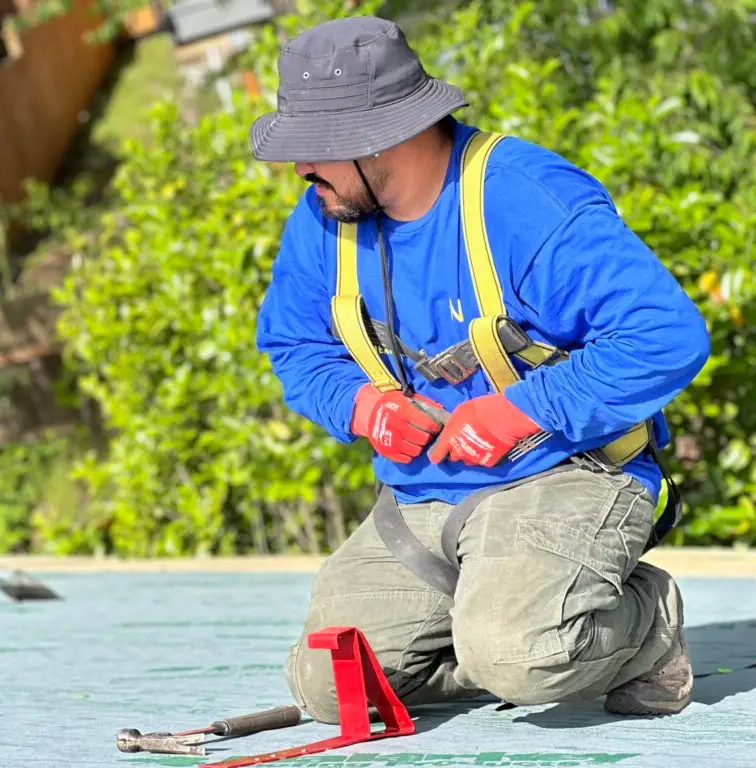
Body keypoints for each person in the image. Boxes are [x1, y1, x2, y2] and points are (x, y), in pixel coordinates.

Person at [250, 15, 710, 720]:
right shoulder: (325, 215)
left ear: (382, 136)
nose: (298, 169)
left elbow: (665, 336)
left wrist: (524, 410)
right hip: (422, 495)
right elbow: (295, 347)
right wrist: (362, 407)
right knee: (329, 691)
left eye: (314, 149)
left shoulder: (526, 200)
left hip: (565, 472)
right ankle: (500, 630)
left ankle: (645, 624)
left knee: (524, 655)